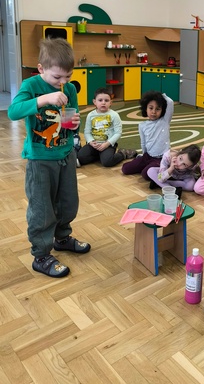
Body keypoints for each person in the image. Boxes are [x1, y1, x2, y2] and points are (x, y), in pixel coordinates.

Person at [8, 38, 90, 278]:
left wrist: (74, 124)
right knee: (42, 208)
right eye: (57, 77)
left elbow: (73, 120)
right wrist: (44, 99)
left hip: (65, 154)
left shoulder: (70, 89)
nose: (63, 82)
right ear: (41, 68)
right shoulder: (31, 85)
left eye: (68, 76)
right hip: (40, 159)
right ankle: (41, 255)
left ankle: (62, 238)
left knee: (68, 202)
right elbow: (13, 111)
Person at [78, 87, 137, 167]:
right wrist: (91, 142)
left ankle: (123, 153)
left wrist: (107, 144)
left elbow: (118, 133)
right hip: (93, 145)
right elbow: (87, 132)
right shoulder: (90, 115)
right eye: (100, 100)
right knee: (81, 157)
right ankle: (100, 155)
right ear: (94, 102)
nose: (103, 103)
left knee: (107, 162)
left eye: (106, 100)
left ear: (110, 102)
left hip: (108, 145)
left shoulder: (114, 115)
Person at [121, 90, 173, 179]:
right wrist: (143, 156)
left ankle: (162, 169)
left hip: (161, 158)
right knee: (125, 168)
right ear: (145, 108)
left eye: (158, 109)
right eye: (151, 108)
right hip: (147, 156)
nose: (154, 112)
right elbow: (143, 142)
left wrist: (161, 96)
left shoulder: (164, 121)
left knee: (145, 174)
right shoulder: (142, 125)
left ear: (162, 110)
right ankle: (148, 166)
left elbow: (170, 102)